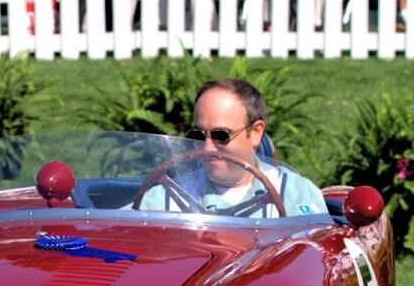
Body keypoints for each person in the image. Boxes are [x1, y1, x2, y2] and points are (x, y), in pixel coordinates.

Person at [139, 77, 328, 217]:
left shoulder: (296, 194)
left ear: (256, 132)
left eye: (221, 135)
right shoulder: (164, 199)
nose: (207, 148)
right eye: (197, 135)